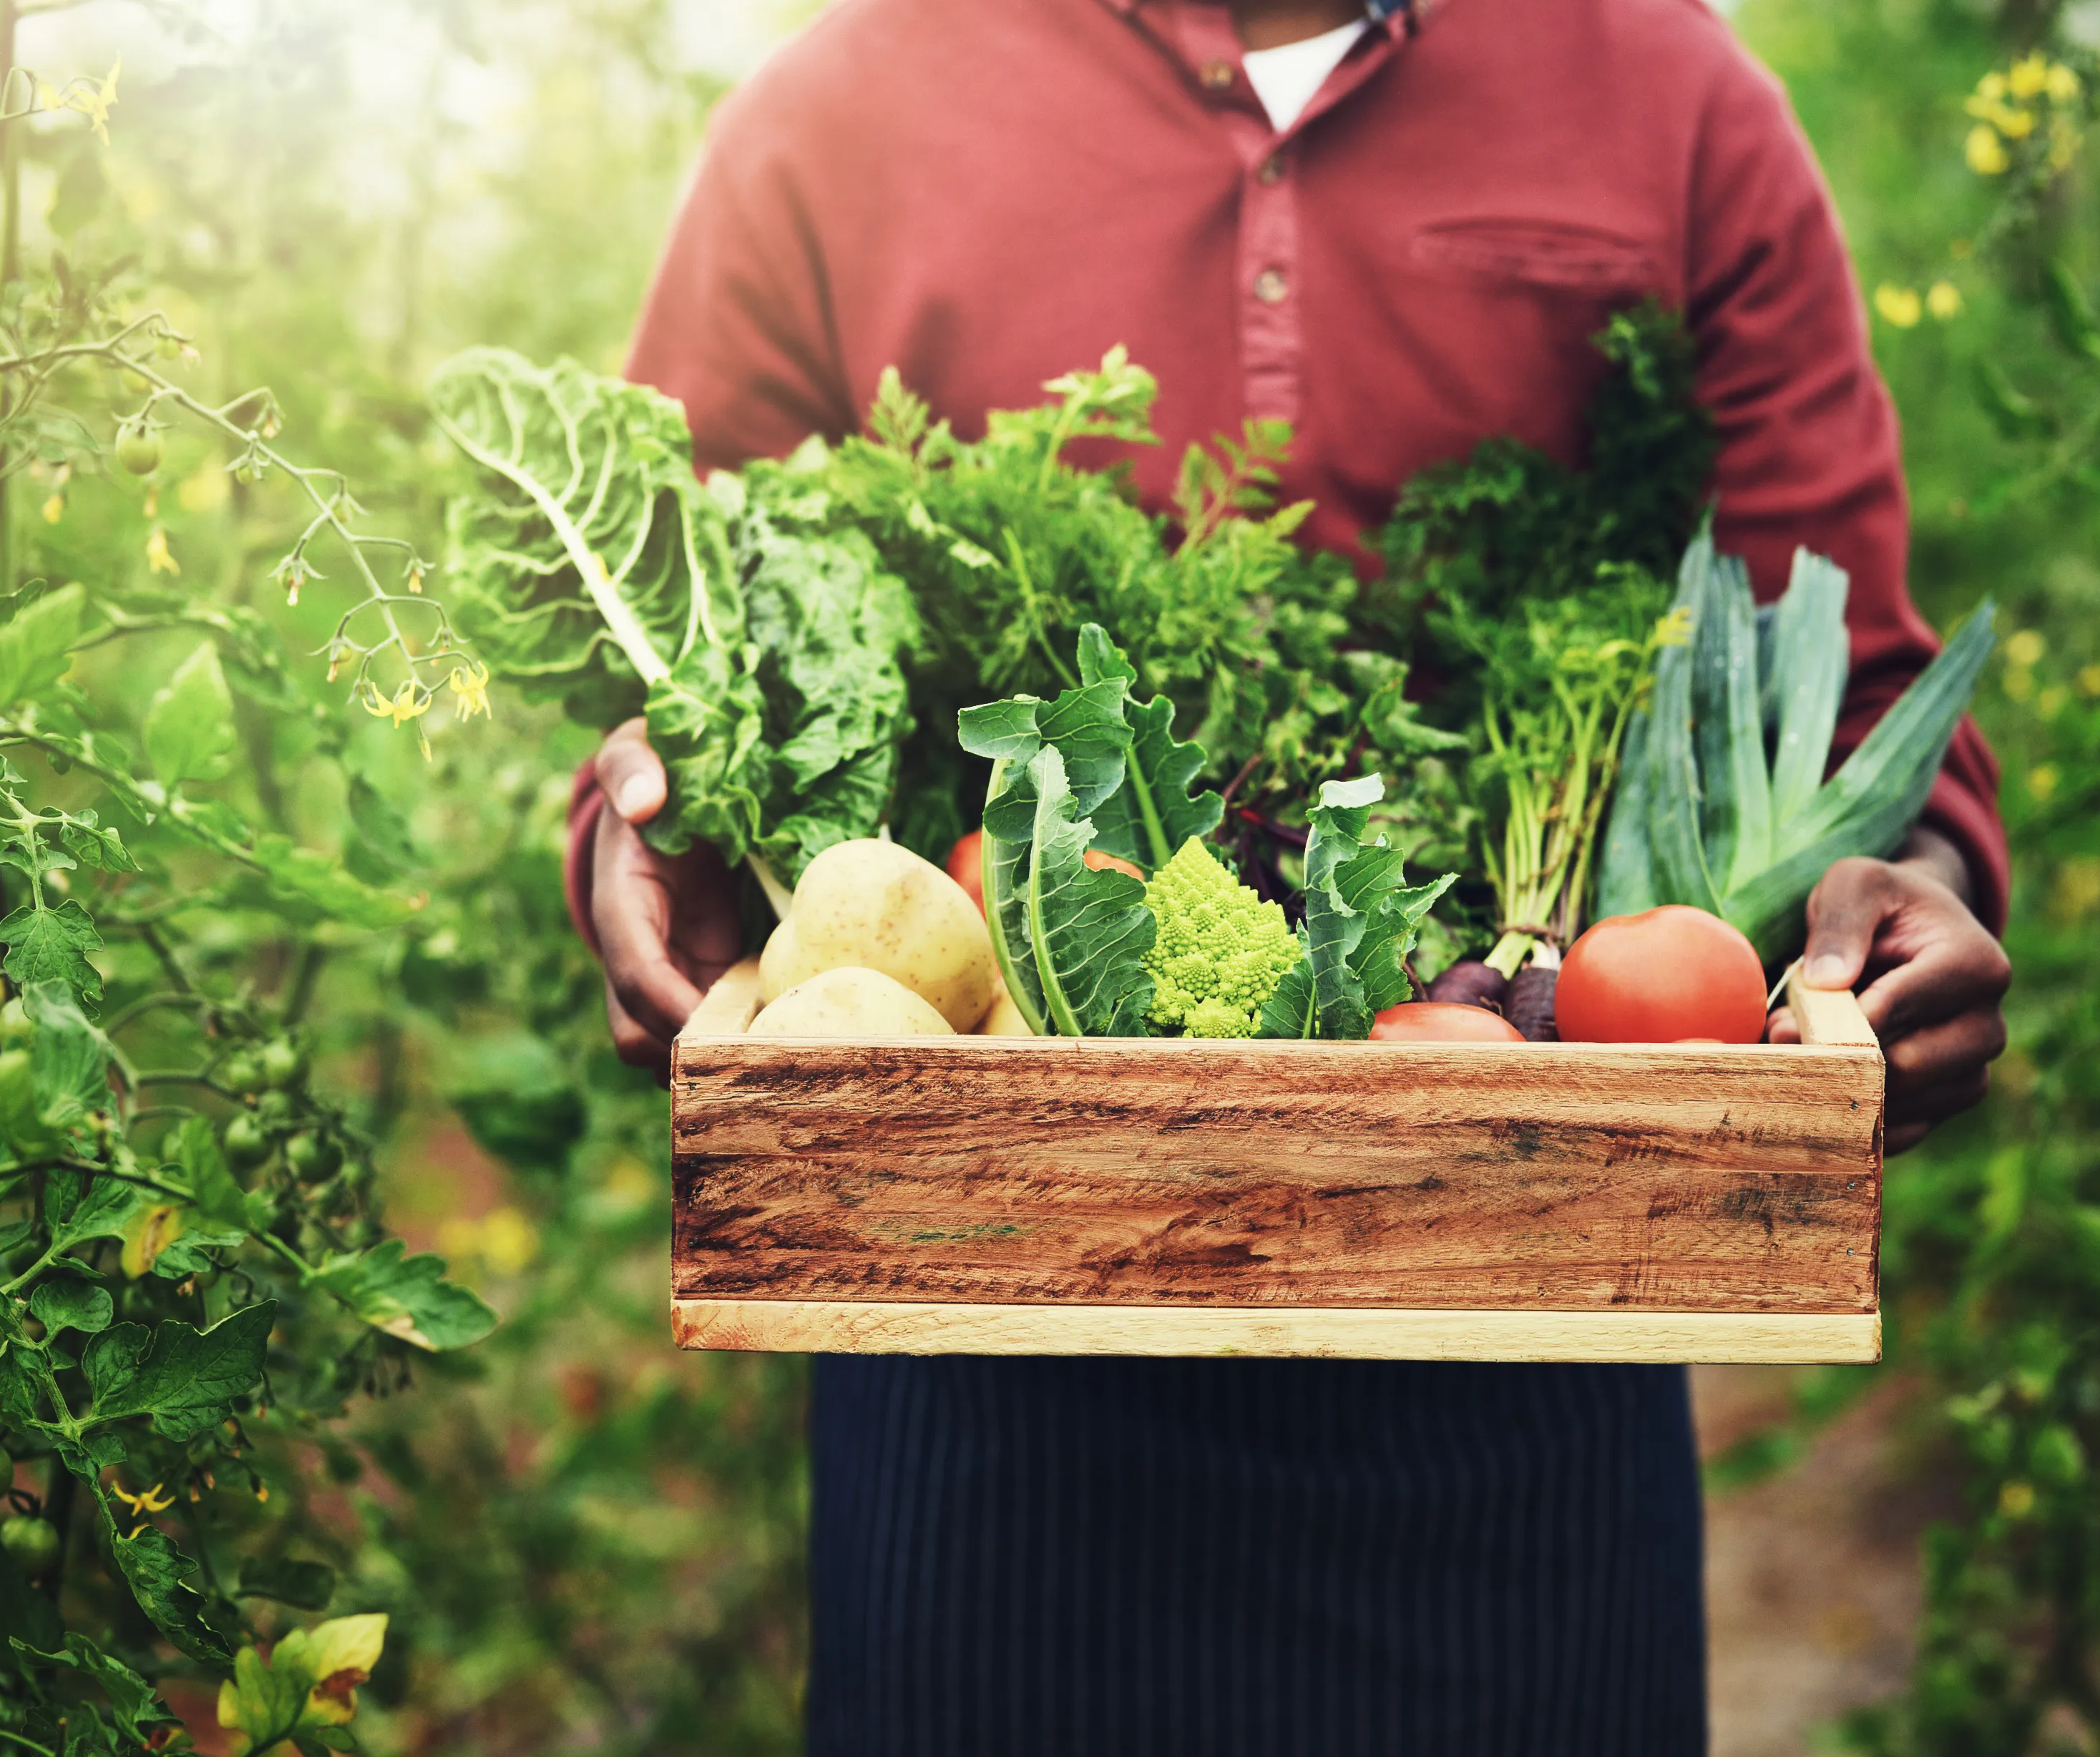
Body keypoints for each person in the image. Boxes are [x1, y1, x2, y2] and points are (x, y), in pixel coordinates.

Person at [567, 0, 2014, 1749]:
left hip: (1524, 1304)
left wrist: (1919, 876)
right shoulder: (835, 113)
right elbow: (689, 651)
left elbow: (1856, 677)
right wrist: (651, 830)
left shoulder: (1672, 95)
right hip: (982, 1307)